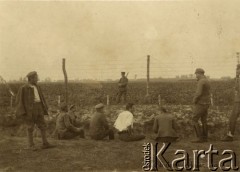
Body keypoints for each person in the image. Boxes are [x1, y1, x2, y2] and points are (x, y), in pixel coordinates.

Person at [15, 71, 55, 150]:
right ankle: (31, 145)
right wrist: (23, 112)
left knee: (42, 125)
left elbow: (42, 98)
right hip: (30, 110)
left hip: (39, 107)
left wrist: (45, 107)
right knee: (30, 126)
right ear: (31, 78)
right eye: (36, 77)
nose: (37, 79)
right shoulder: (23, 88)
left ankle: (45, 143)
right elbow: (19, 101)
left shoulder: (37, 87)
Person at [192, 68, 211, 143]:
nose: (196, 76)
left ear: (199, 73)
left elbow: (198, 93)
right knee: (204, 120)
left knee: (194, 119)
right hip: (206, 103)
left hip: (201, 103)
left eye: (196, 74)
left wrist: (194, 100)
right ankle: (205, 137)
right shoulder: (207, 80)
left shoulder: (201, 81)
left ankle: (198, 138)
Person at [222, 64, 240, 141]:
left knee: (232, 118)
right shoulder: (238, 79)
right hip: (237, 100)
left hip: (238, 101)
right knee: (232, 118)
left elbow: (238, 89)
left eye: (238, 69)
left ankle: (230, 136)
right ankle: (230, 135)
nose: (237, 71)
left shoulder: (238, 80)